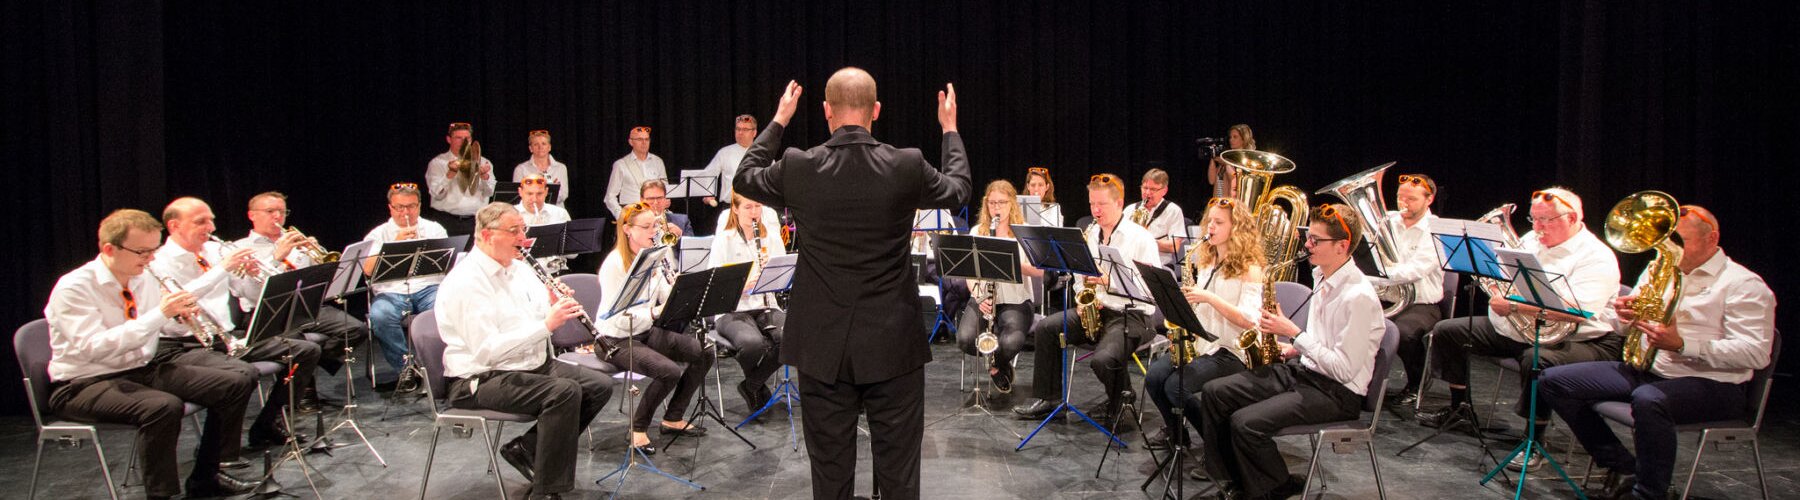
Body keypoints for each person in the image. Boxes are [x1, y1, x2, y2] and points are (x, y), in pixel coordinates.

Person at [733, 69, 971, 499]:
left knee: (830, 476)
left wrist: (780, 120)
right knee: (900, 476)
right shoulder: (907, 164)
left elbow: (744, 177)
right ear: (876, 110)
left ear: (825, 111)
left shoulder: (799, 166)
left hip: (822, 347)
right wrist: (949, 128)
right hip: (893, 343)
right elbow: (958, 189)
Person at [1540, 205, 1776, 500]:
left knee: (1649, 400)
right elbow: (1628, 329)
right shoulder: (1660, 269)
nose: (1669, 249)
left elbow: (1756, 354)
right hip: (1651, 371)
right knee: (1552, 380)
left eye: (1679, 241)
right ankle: (1624, 466)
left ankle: (1650, 493)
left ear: (1711, 238)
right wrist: (1624, 319)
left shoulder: (1743, 284)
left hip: (1715, 385)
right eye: (1666, 240)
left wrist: (1683, 345)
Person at [44, 209, 262, 499]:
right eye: (142, 252)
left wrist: (177, 315)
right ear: (110, 249)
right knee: (162, 407)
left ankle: (207, 477)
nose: (150, 259)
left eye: (153, 250)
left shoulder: (143, 276)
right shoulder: (74, 287)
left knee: (235, 381)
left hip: (139, 368)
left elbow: (156, 322)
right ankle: (161, 495)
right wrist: (161, 314)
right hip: (83, 383)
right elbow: (94, 347)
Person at [1417, 187, 1623, 471]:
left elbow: (1579, 313)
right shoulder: (1531, 240)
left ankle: (1534, 440)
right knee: (1448, 331)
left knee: (1536, 359)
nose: (1537, 227)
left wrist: (1514, 307)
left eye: (1545, 220)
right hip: (1523, 330)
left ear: (1572, 218)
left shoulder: (1596, 256)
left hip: (1582, 341)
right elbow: (1505, 278)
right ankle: (1460, 408)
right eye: (1534, 219)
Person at [1197, 203, 1385, 500]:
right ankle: (1233, 480)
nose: (1307, 246)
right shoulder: (1323, 276)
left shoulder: (1357, 296)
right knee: (1215, 392)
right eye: (1307, 237)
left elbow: (1345, 370)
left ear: (1342, 246)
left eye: (1315, 241)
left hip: (1337, 393)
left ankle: (1272, 487)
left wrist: (1295, 334)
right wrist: (1293, 349)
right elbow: (1327, 343)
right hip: (1306, 372)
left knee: (1246, 423)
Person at [436, 202, 615, 499]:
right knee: (564, 392)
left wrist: (550, 300)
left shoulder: (519, 268)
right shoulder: (466, 282)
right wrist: (548, 323)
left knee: (598, 385)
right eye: (514, 231)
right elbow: (486, 351)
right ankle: (547, 490)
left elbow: (533, 316)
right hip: (480, 378)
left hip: (527, 365)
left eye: (523, 229)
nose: (524, 238)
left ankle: (527, 450)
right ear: (486, 235)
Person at [155, 197, 322, 450]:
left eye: (211, 220)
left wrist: (263, 270)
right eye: (201, 222)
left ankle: (268, 423)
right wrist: (222, 269)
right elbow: (180, 303)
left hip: (226, 337)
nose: (210, 228)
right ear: (174, 226)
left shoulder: (215, 251)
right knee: (243, 375)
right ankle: (221, 454)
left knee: (305, 351)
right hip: (186, 344)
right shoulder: (159, 262)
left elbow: (250, 294)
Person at [1011, 173, 1161, 429]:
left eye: (1101, 204)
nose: (1096, 210)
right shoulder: (1091, 234)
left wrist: (1109, 282)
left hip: (1133, 315)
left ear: (1119, 202)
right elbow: (1081, 276)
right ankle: (1049, 399)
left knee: (1102, 359)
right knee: (1047, 328)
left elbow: (1151, 291)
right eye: (1092, 204)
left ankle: (1121, 401)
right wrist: (1082, 299)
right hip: (1097, 309)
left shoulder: (1140, 238)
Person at [1142, 197, 1265, 453]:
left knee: (1176, 386)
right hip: (1202, 343)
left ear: (1237, 228)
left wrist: (1208, 297)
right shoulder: (1208, 260)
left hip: (1231, 350)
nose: (1210, 227)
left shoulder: (1250, 269)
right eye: (1210, 220)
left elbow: (1249, 320)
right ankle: (1177, 436)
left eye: (1219, 222)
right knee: (1154, 378)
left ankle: (1218, 444)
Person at [234, 191, 371, 411]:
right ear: (252, 215)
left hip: (306, 305)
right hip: (270, 312)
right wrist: (277, 257)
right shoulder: (240, 248)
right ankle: (305, 389)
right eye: (270, 211)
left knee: (356, 329)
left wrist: (312, 254)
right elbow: (249, 293)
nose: (277, 217)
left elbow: (313, 280)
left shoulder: (295, 242)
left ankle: (306, 369)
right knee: (301, 345)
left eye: (282, 211)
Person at [597, 202, 715, 455]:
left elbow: (665, 296)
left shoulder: (654, 256)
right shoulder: (615, 264)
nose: (654, 231)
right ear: (627, 229)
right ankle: (637, 428)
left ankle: (673, 417)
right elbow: (617, 317)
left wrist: (680, 292)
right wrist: (653, 312)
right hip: (614, 338)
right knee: (668, 371)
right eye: (647, 226)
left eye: (655, 225)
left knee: (704, 351)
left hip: (645, 331)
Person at [957, 180, 1044, 394]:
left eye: (1002, 203)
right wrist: (978, 296)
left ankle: (997, 366)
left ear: (1012, 204)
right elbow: (969, 271)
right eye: (992, 203)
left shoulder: (1024, 232)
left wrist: (1013, 263)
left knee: (1011, 342)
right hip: (984, 298)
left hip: (1016, 300)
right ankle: (996, 358)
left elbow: (1040, 271)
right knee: (965, 340)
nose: (996, 208)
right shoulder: (978, 230)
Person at [362, 183, 450, 393]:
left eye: (411, 206)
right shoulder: (378, 234)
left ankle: (440, 368)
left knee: (446, 310)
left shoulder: (434, 228)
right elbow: (367, 270)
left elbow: (447, 261)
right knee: (380, 315)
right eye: (400, 207)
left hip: (428, 286)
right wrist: (394, 244)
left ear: (419, 206)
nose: (406, 212)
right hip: (391, 292)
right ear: (390, 208)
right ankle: (406, 368)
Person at [709, 196, 789, 413]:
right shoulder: (724, 239)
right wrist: (742, 286)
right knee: (752, 344)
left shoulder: (770, 237)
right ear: (735, 209)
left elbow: (781, 273)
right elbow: (714, 283)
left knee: (791, 337)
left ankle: (751, 385)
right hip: (732, 308)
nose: (754, 212)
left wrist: (769, 279)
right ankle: (757, 384)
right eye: (748, 207)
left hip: (766, 304)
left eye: (757, 206)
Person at [1375, 173, 1449, 408]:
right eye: (1400, 198)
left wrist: (1381, 273)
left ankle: (1417, 382)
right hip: (1386, 297)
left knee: (1405, 334)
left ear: (1429, 200)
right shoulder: (1386, 221)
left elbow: (1417, 269)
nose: (1403, 204)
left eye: (1411, 199)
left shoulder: (1437, 229)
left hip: (1422, 303)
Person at [425, 122, 496, 234]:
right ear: (449, 139)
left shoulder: (484, 162)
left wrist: (484, 176)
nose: (463, 142)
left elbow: (490, 192)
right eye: (458, 138)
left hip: (476, 221)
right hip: (447, 221)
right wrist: (451, 173)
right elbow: (437, 195)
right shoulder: (437, 163)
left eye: (466, 138)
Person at [1124, 168, 1188, 263]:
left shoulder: (1173, 211)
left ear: (1164, 191)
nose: (1147, 193)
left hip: (1159, 265)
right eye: (1145, 188)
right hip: (1131, 263)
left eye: (1153, 189)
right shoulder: (1130, 209)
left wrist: (1147, 241)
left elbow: (1174, 246)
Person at [604, 126, 667, 218]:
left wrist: (664, 201)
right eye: (639, 139)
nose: (644, 143)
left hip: (657, 215)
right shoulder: (621, 164)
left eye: (647, 139)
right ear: (631, 142)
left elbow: (665, 189)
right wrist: (621, 215)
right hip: (633, 216)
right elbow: (609, 197)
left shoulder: (658, 162)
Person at [699, 114, 759, 209]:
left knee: (755, 225)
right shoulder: (725, 153)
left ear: (754, 133)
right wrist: (708, 194)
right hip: (731, 207)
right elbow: (709, 174)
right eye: (738, 129)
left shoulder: (762, 153)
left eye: (745, 130)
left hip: (756, 208)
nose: (740, 133)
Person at [511, 129, 570, 206]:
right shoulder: (521, 169)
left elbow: (564, 195)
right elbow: (518, 196)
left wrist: (553, 190)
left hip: (555, 213)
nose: (540, 147)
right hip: (531, 213)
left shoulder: (560, 168)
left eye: (544, 144)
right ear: (530, 148)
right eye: (536, 144)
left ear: (549, 147)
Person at [1206, 124, 1255, 198]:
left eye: (1235, 137)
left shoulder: (1246, 160)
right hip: (1218, 202)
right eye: (1230, 137)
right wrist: (1212, 157)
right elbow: (1211, 180)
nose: (1231, 140)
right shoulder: (1227, 158)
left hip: (1232, 203)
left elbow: (1235, 181)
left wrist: (1226, 164)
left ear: (1244, 139)